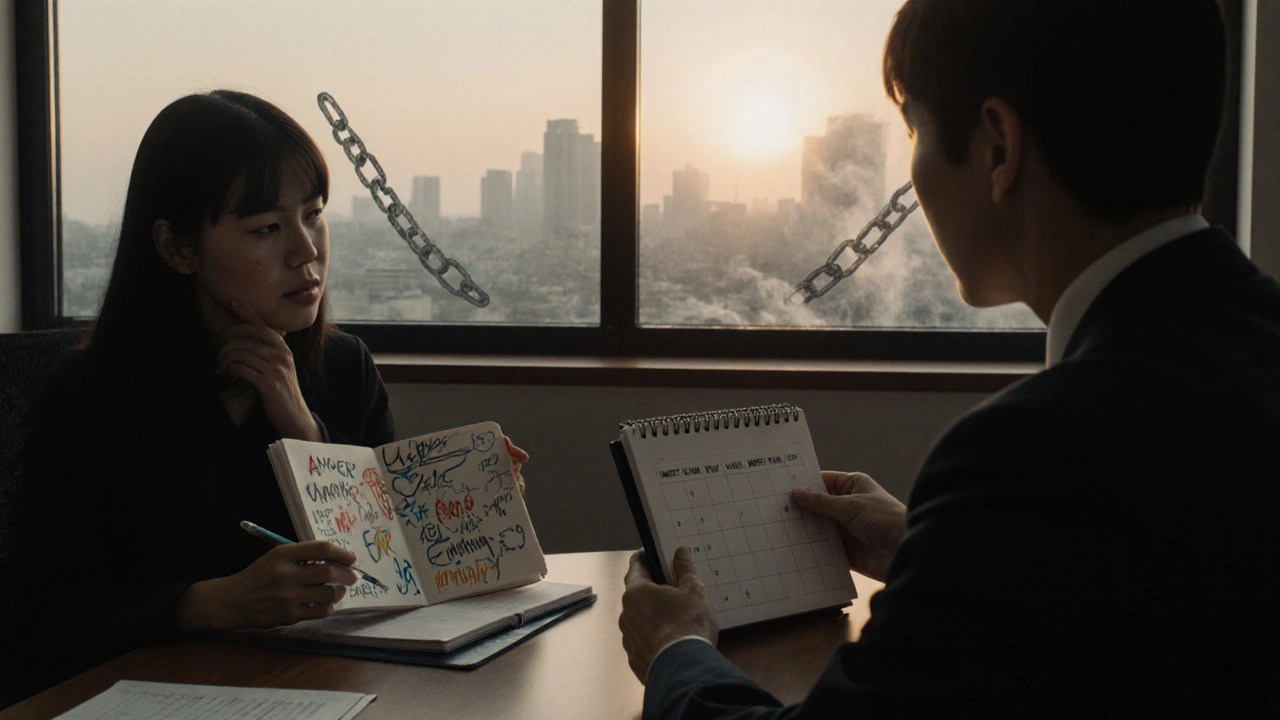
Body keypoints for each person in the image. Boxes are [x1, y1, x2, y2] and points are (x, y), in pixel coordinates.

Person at [620, 0, 1280, 716]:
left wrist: (678, 650)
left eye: (915, 131)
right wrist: (934, 552)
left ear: (997, 148)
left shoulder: (1033, 454)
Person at [0, 90, 529, 701]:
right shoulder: (88, 399)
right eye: (267, 228)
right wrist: (206, 603)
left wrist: (467, 505)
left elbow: (390, 568)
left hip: (338, 692)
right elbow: (36, 621)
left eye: (314, 213)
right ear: (177, 248)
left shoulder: (341, 368)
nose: (306, 251)